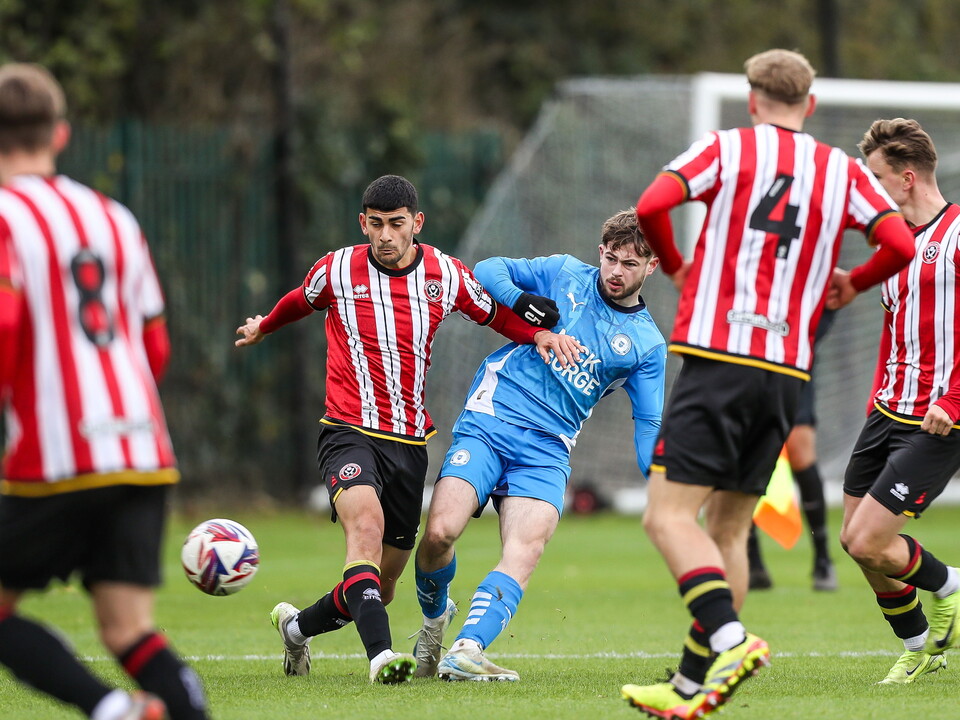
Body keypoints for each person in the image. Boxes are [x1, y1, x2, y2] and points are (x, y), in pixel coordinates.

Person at [620, 49, 916, 720]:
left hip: (719, 356)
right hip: (787, 372)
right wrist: (851, 284)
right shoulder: (841, 171)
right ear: (809, 105)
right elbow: (897, 245)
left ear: (753, 100)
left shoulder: (727, 149)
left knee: (666, 517)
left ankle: (729, 638)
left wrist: (676, 266)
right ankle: (693, 686)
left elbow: (651, 203)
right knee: (728, 529)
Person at [234, 174, 581, 684]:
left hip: (409, 444)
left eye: (396, 225)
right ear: (363, 223)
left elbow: (493, 316)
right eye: (375, 225)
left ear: (416, 223)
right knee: (365, 533)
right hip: (347, 430)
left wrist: (538, 335)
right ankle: (382, 659)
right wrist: (265, 324)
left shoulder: (444, 273)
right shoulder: (337, 269)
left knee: (383, 584)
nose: (385, 236)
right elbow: (298, 300)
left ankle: (295, 628)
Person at [0, 63, 209, 720]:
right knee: (127, 630)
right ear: (60, 134)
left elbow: (4, 325)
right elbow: (155, 344)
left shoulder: (4, 216)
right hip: (142, 451)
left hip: (54, 456)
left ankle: (112, 709)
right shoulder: (113, 217)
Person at [410, 209, 667, 681]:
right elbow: (486, 270)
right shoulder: (565, 272)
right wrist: (525, 304)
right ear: (599, 252)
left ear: (652, 267)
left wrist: (664, 486)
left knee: (525, 550)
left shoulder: (647, 345)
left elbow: (648, 425)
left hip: (548, 448)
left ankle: (466, 649)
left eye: (630, 264)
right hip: (493, 418)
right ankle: (433, 619)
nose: (615, 271)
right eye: (610, 258)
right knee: (440, 533)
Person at [838, 118, 960, 685]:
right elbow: (894, 328)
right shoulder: (892, 242)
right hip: (886, 410)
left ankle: (950, 587)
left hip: (938, 420)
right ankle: (920, 647)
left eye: (878, 178)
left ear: (907, 178)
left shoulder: (956, 234)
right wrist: (873, 399)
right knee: (854, 543)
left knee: (870, 538)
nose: (870, 191)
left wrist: (954, 401)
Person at [747, 308, 838, 592]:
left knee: (801, 452)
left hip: (792, 362)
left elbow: (830, 299)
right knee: (745, 458)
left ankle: (823, 558)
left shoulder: (806, 267)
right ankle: (751, 560)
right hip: (745, 365)